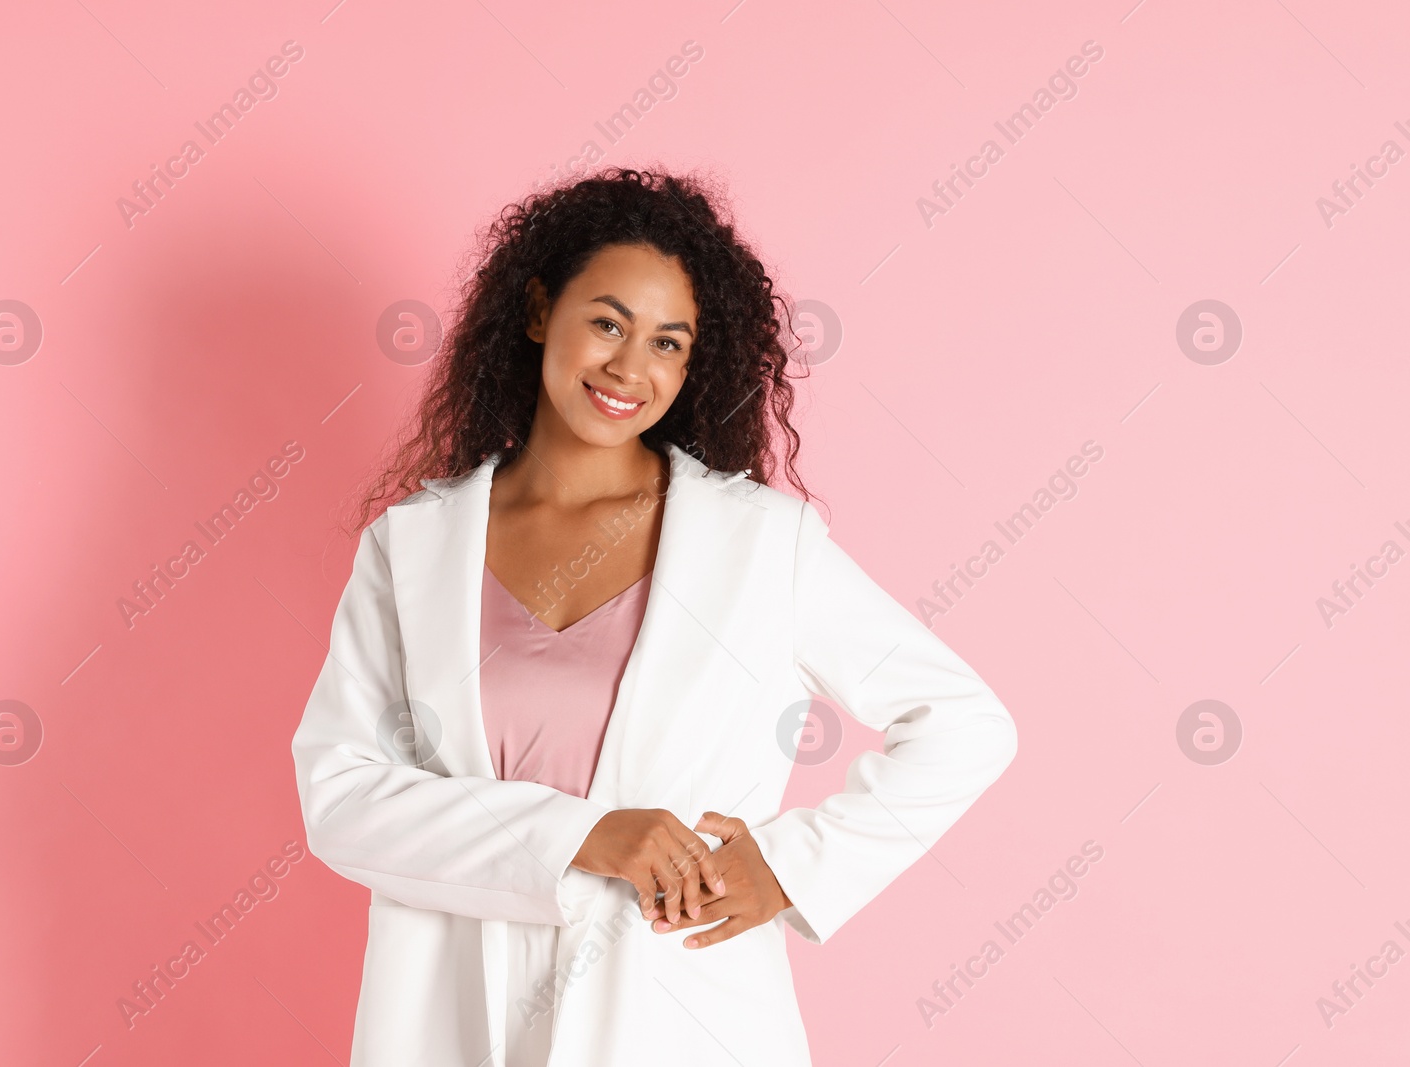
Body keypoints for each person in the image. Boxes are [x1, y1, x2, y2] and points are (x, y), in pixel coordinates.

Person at [290, 166, 1018, 1066]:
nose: (631, 368)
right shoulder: (412, 548)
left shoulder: (755, 546)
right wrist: (584, 836)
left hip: (679, 1021)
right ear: (536, 312)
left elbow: (963, 723)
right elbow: (343, 797)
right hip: (453, 1018)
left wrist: (789, 866)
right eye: (607, 322)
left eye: (668, 343)